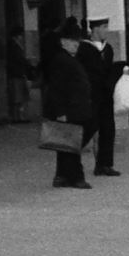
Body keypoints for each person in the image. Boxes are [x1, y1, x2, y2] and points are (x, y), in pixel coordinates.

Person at [42, 18, 93, 189]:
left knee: (65, 144)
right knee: (71, 144)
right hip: (69, 109)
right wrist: (60, 112)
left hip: (74, 108)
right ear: (63, 42)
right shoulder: (62, 60)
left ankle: (62, 176)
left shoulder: (66, 58)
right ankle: (76, 177)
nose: (76, 44)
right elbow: (56, 88)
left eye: (77, 41)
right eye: (72, 41)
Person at [77, 17, 123, 177]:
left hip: (105, 95)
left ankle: (104, 164)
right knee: (88, 127)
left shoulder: (108, 49)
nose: (106, 30)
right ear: (95, 29)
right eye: (104, 27)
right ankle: (72, 159)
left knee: (108, 128)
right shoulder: (83, 48)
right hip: (90, 95)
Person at [5, 30, 33, 123]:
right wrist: (28, 63)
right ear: (17, 36)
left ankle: (18, 116)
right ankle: (18, 117)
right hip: (17, 73)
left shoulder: (13, 45)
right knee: (18, 97)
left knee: (18, 97)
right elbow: (19, 59)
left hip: (17, 73)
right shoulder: (14, 46)